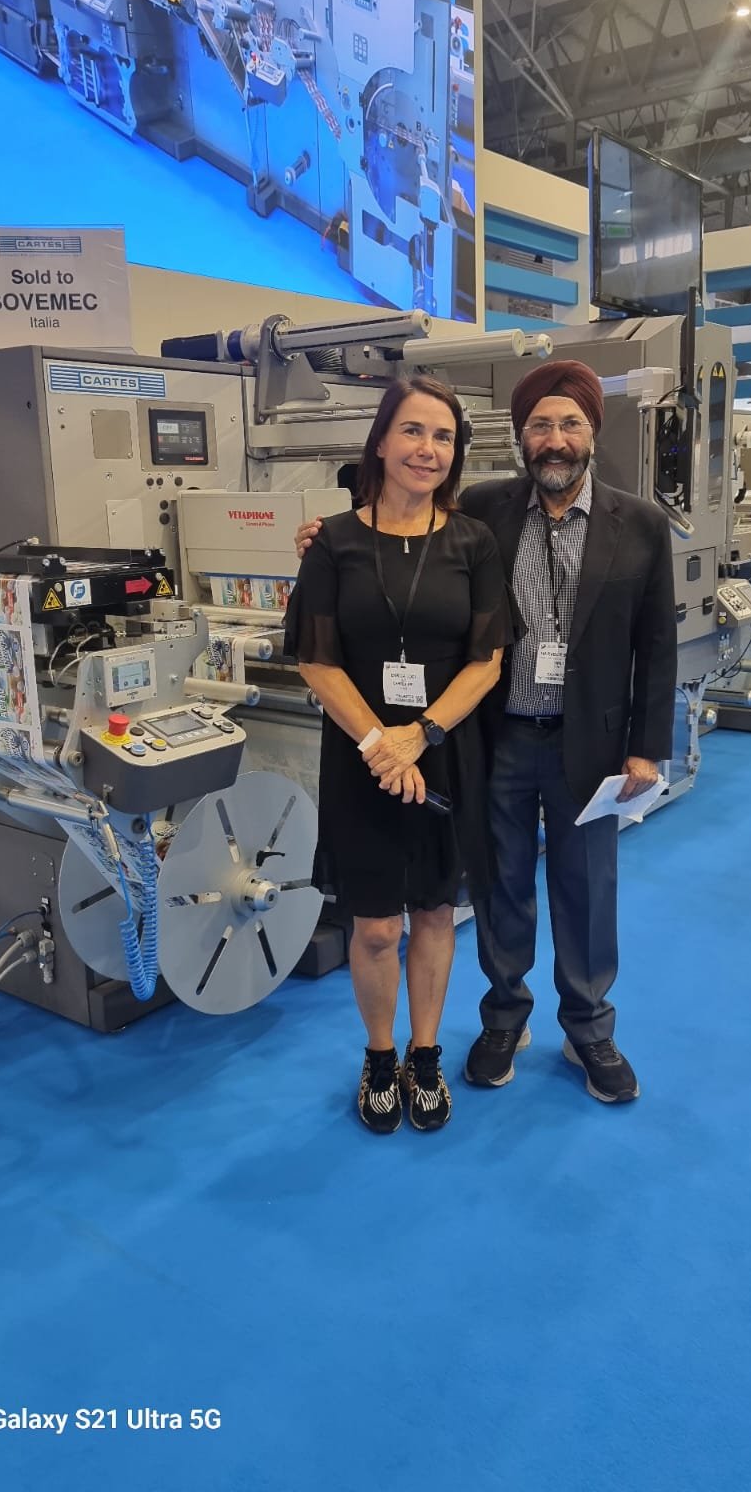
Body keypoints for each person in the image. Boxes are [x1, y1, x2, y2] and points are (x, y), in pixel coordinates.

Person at [295, 359, 677, 1105]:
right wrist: (319, 540)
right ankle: (504, 1016)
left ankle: (589, 1027)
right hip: (498, 737)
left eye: (570, 424)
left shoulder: (639, 524)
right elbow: (401, 528)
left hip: (591, 743)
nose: (556, 439)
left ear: (593, 432)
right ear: (521, 436)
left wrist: (646, 746)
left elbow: (656, 644)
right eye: (540, 425)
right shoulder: (485, 510)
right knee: (500, 885)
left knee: (586, 889)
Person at [284, 378, 519, 1135]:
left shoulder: (473, 543)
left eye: (444, 437)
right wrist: (379, 744)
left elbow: (487, 659)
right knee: (377, 925)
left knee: (436, 914)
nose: (428, 449)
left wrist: (421, 734)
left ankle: (425, 1053)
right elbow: (316, 659)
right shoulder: (333, 543)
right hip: (362, 760)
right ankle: (380, 1055)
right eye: (413, 431)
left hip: (443, 751)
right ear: (381, 441)